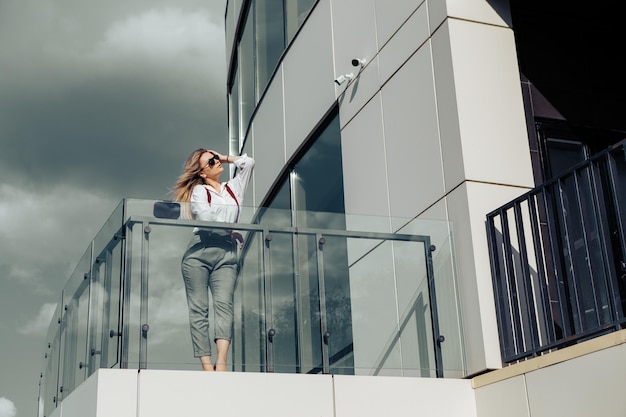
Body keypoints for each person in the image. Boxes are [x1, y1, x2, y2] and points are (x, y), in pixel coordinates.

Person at [173, 149, 255, 371]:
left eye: (216, 157)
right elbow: (205, 217)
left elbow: (249, 163)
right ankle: (207, 365)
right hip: (200, 251)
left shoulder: (234, 188)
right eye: (211, 161)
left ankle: (222, 362)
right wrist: (229, 230)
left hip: (227, 253)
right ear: (201, 172)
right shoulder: (200, 191)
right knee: (199, 308)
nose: (216, 161)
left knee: (224, 305)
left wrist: (227, 157)